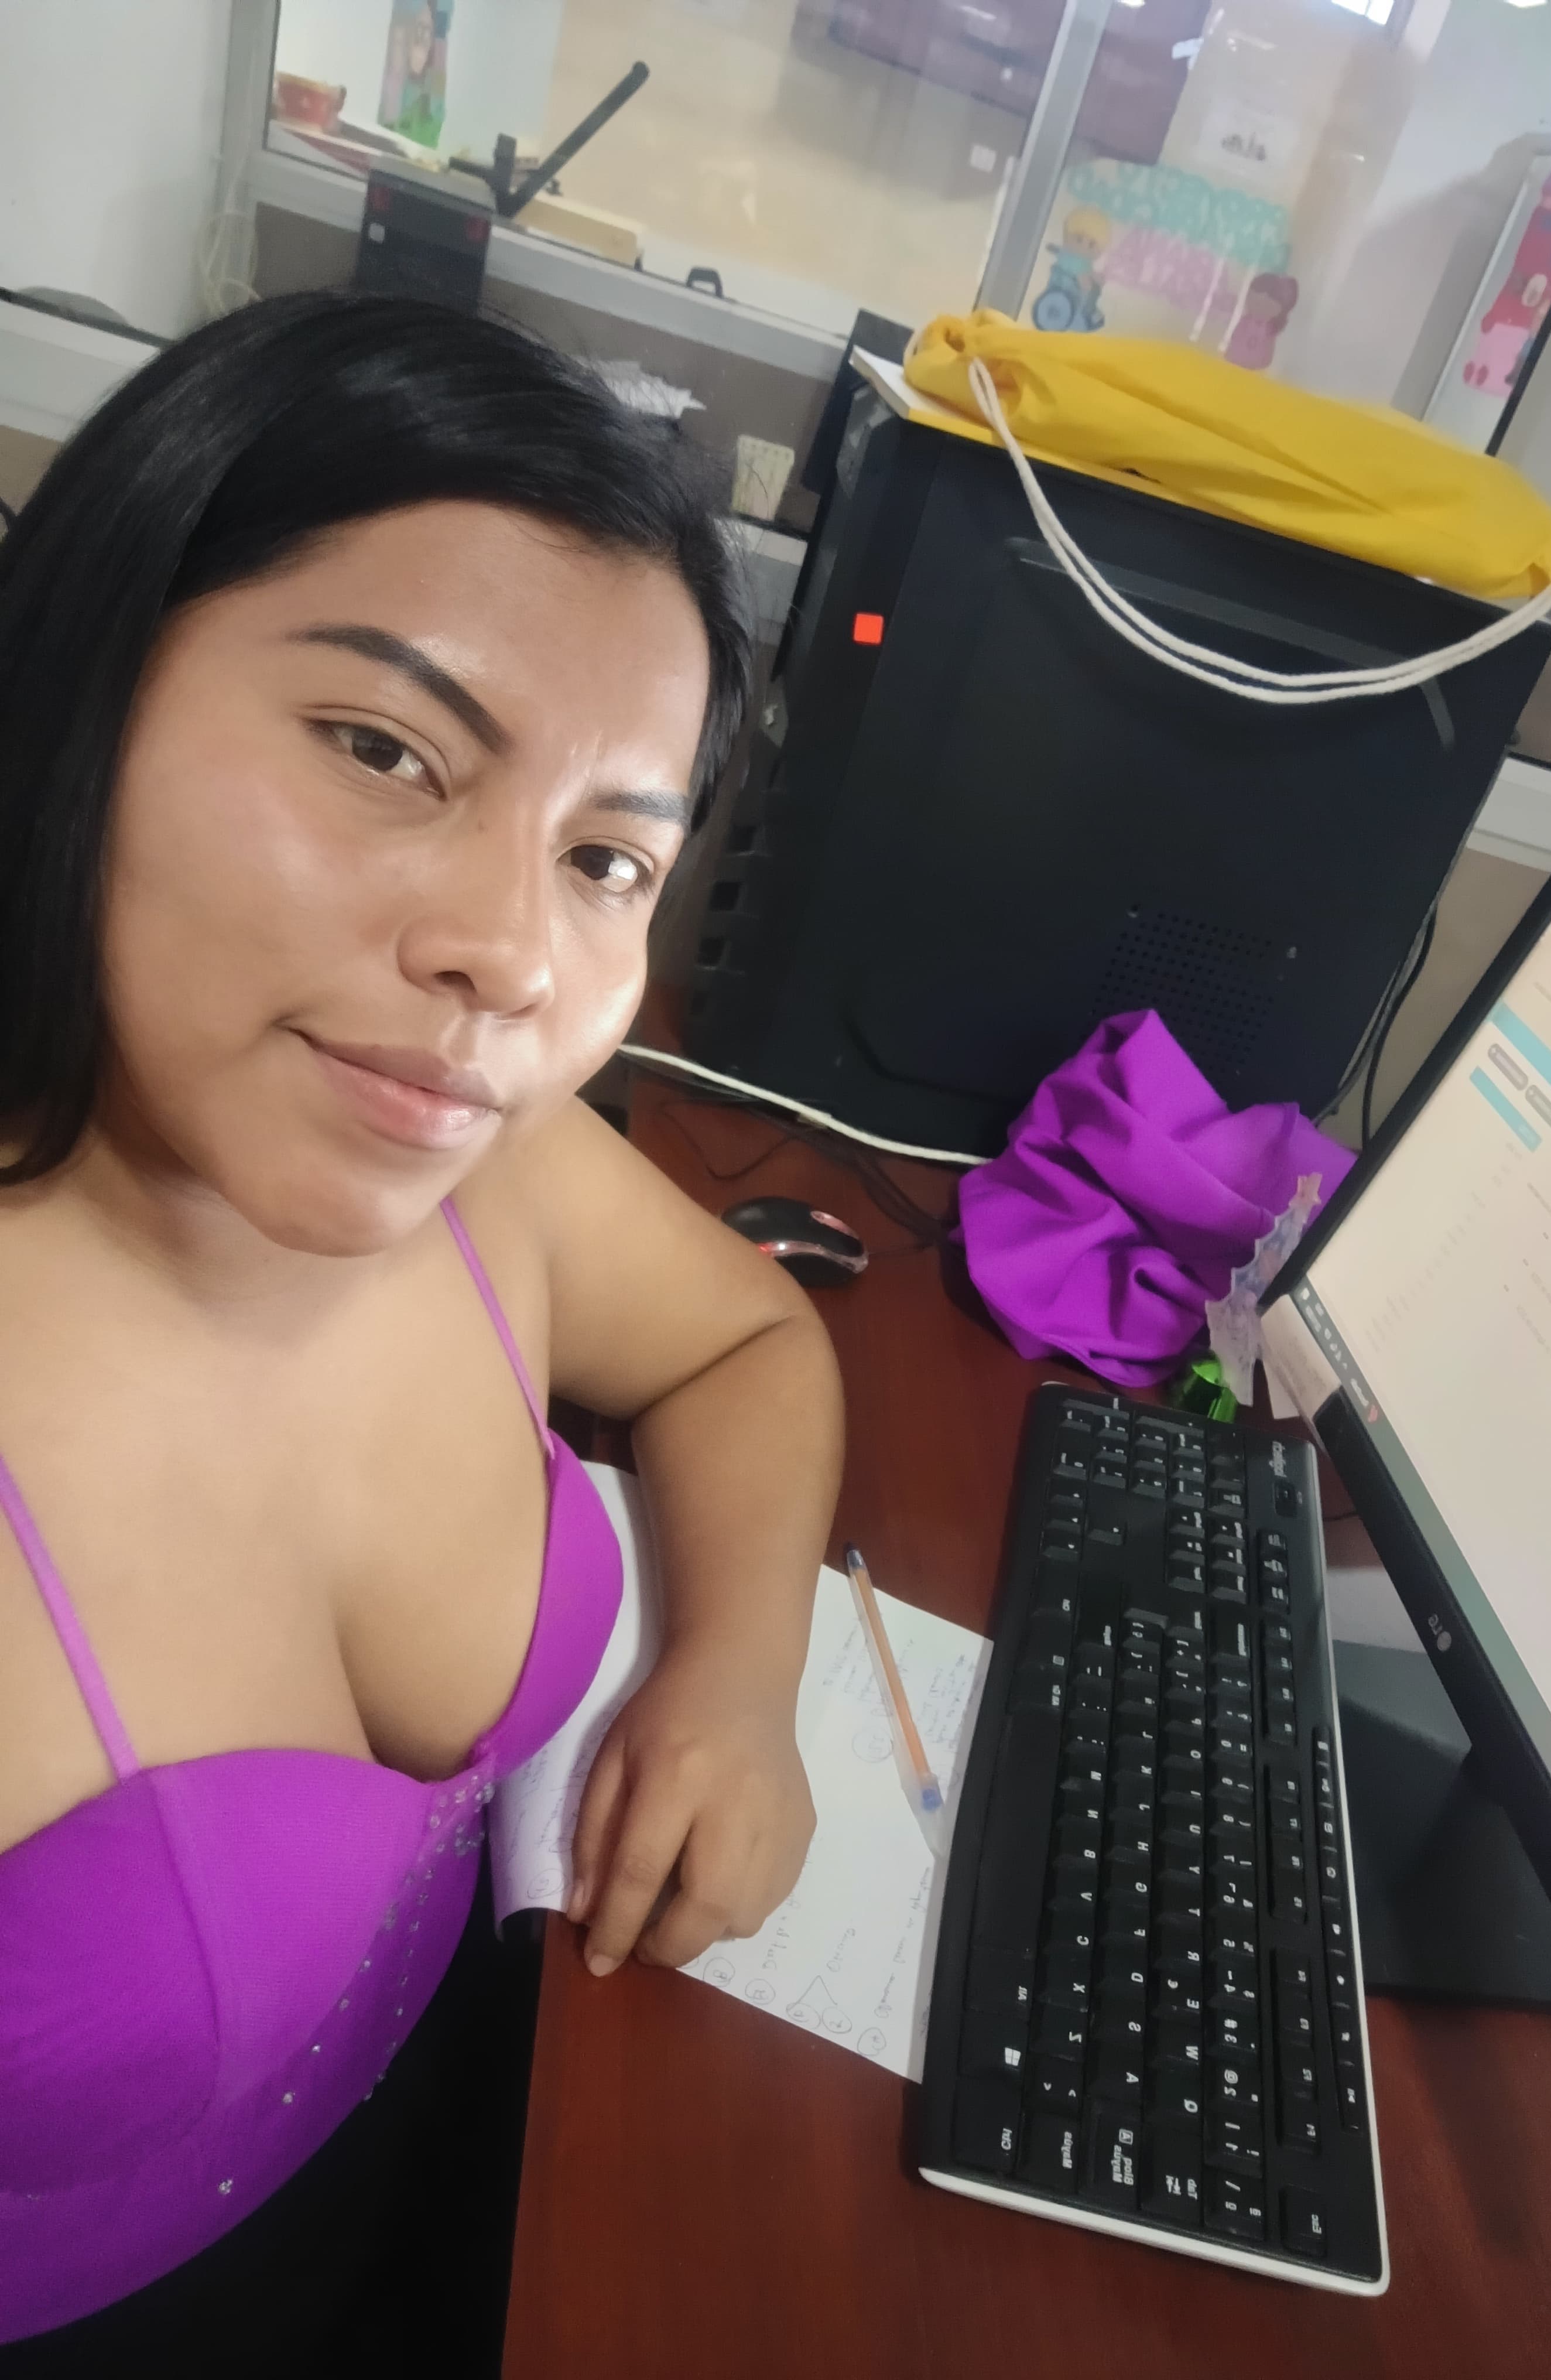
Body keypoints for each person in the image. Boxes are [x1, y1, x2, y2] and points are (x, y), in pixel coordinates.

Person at [0, 291, 842, 2369]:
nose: (510, 958)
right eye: (388, 752)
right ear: (91, 677)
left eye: (606, 859)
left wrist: (739, 1680)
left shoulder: (483, 1171)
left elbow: (751, 1345)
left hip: (485, 2168)